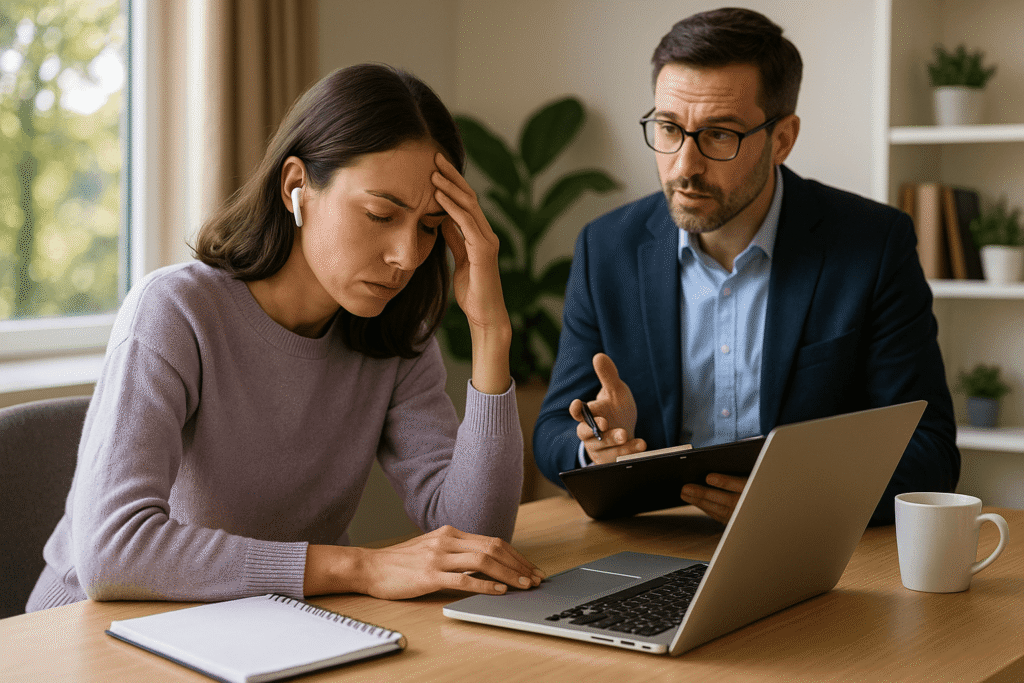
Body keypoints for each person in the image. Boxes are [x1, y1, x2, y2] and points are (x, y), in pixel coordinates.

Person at [27, 63, 544, 613]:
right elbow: (113, 551)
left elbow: (473, 540)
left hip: (263, 625)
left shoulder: (395, 334)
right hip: (94, 628)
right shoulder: (176, 311)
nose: (407, 256)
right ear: (296, 186)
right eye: (379, 214)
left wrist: (491, 331)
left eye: (428, 226)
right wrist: (360, 567)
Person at [533, 7, 959, 526]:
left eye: (719, 135)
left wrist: (796, 497)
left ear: (782, 139)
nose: (684, 166)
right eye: (668, 128)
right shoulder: (607, 248)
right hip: (656, 543)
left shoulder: (871, 245)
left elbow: (930, 450)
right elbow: (554, 430)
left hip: (804, 546)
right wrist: (597, 449)